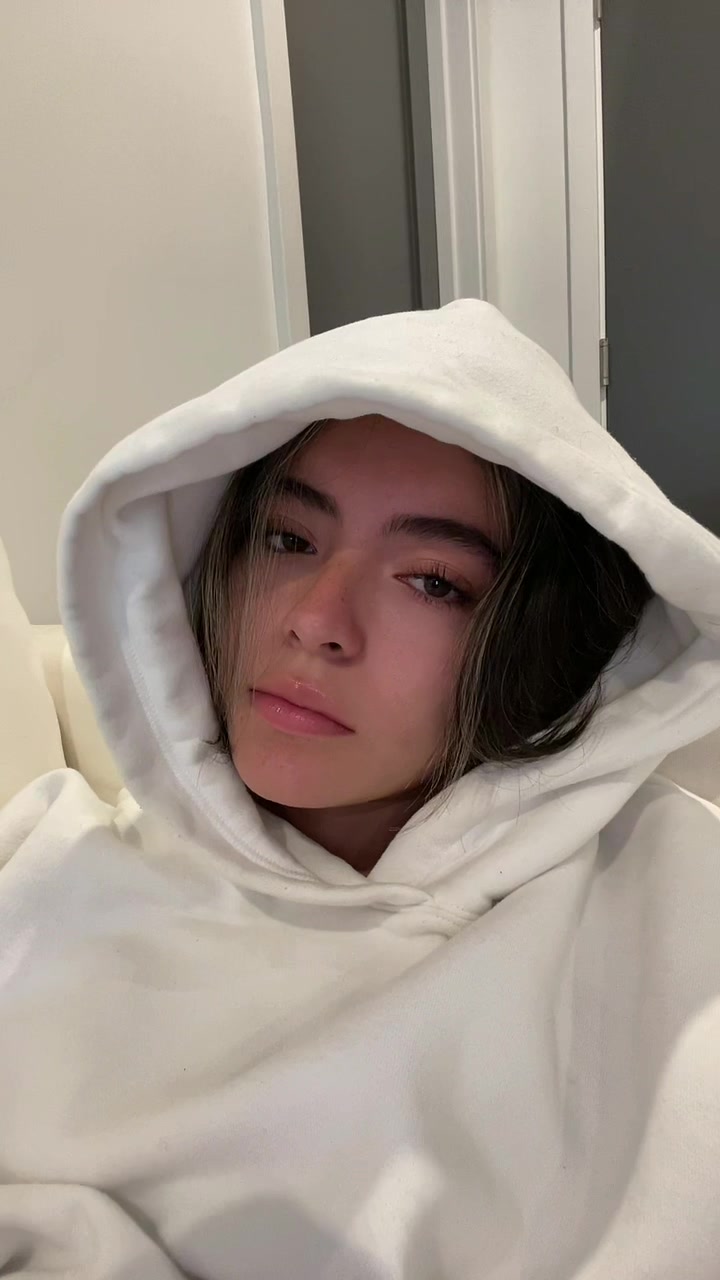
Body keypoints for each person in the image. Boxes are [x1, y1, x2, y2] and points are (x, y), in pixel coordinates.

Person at [0, 299, 719, 1278]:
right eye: (288, 538)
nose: (316, 620)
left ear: (535, 645)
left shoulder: (675, 918)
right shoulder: (41, 873)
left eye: (432, 581)